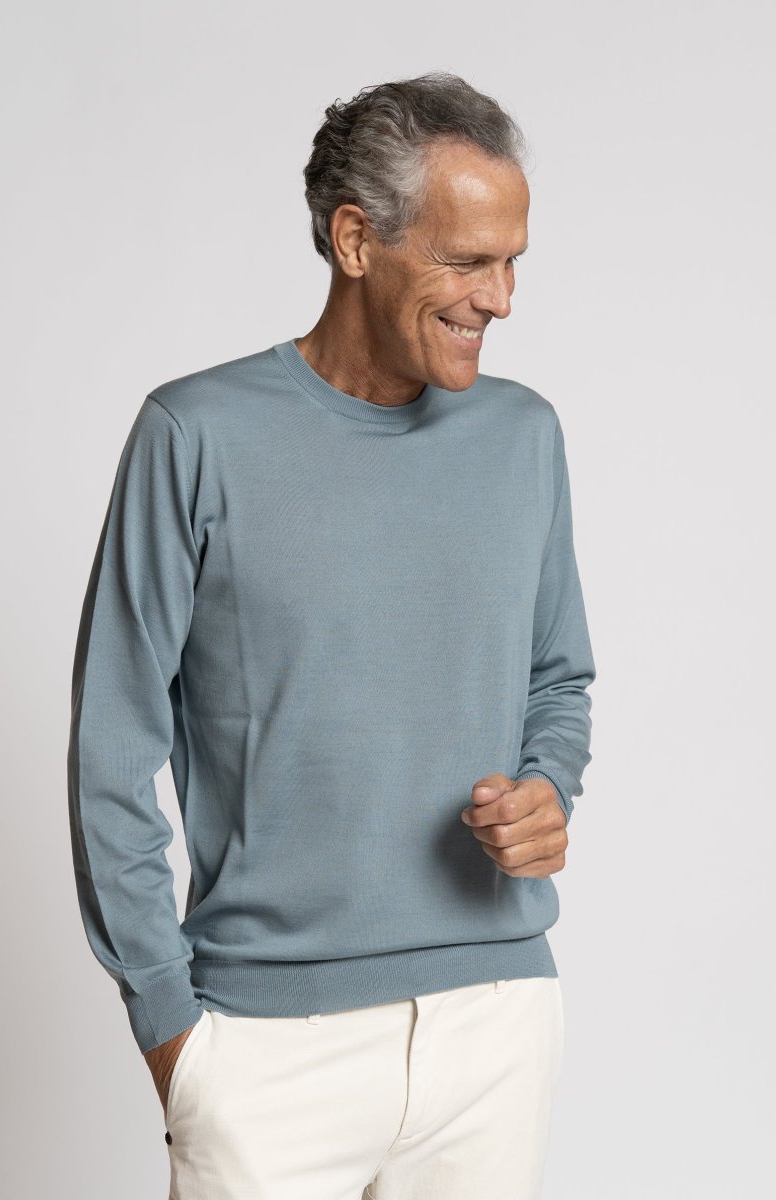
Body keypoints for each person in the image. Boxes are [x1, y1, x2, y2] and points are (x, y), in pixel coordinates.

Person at [67, 71, 596, 1200]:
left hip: (496, 1025)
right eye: (468, 260)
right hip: (266, 1043)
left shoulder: (522, 436)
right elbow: (111, 752)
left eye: (513, 262)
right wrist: (174, 1035)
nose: (500, 299)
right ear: (356, 240)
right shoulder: (193, 434)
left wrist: (547, 789)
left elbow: (557, 680)